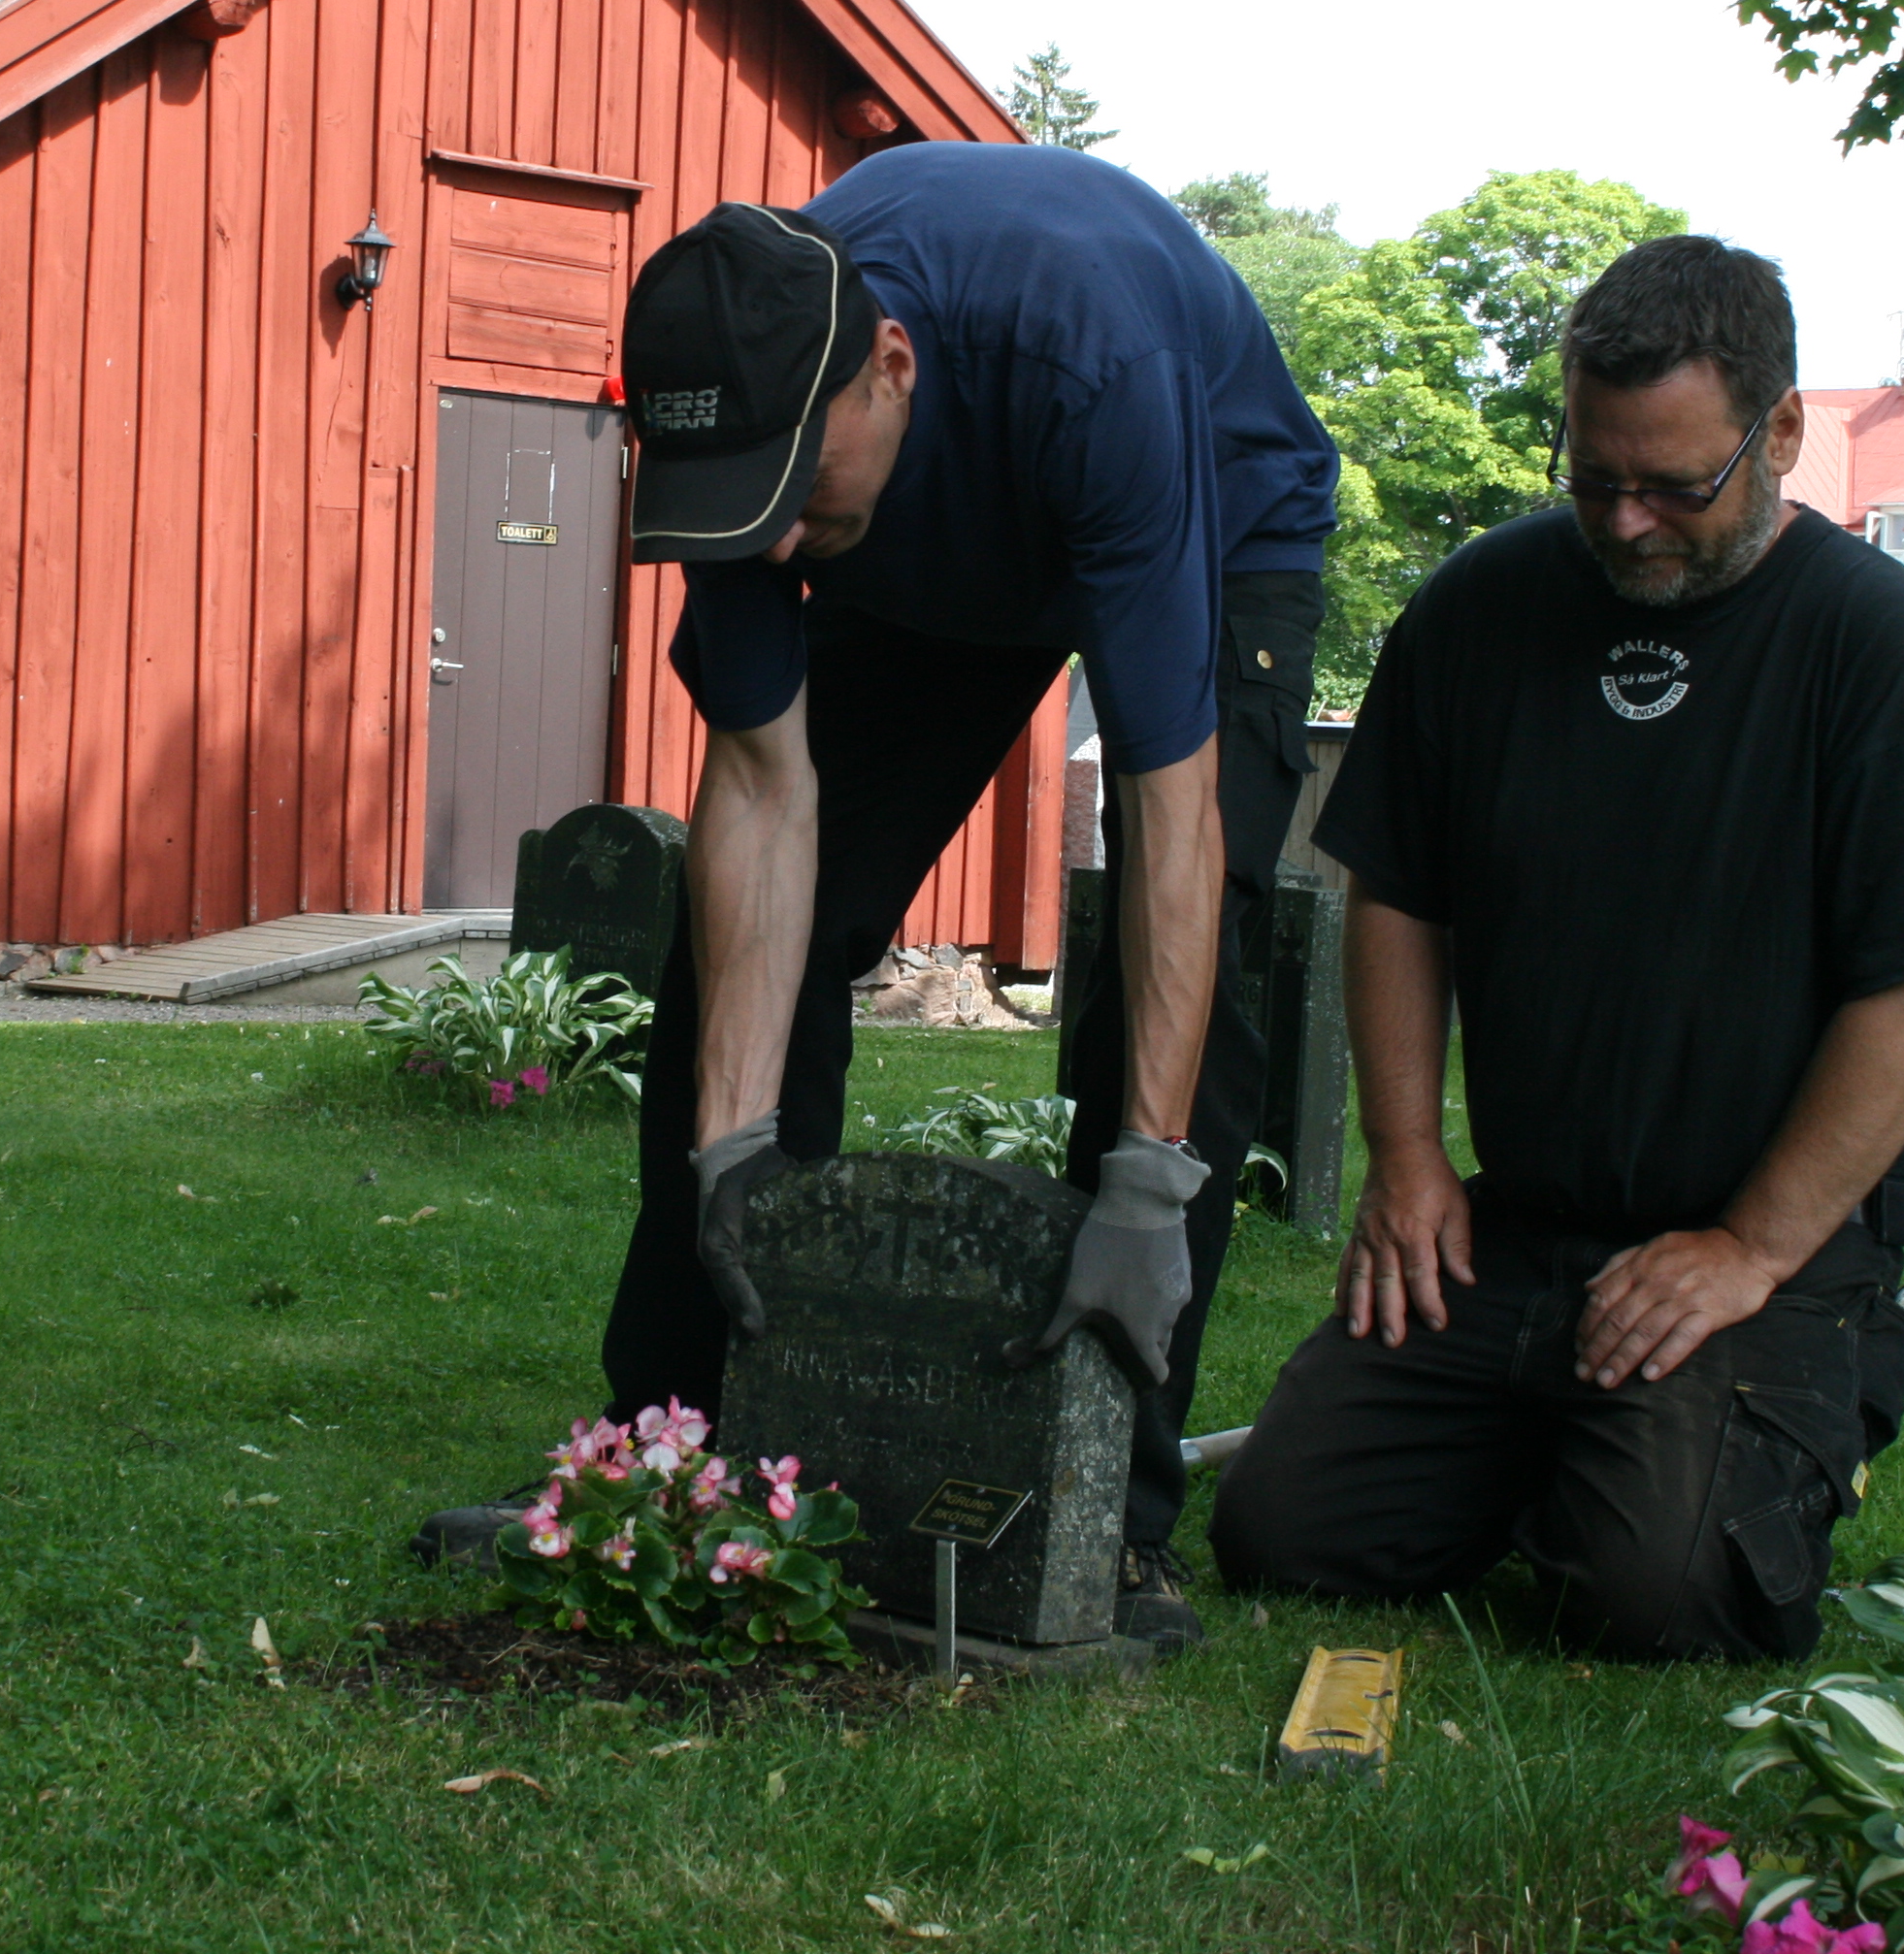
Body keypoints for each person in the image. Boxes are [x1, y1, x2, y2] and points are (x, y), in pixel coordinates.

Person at [419, 142, 1338, 1653]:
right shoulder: (744, 420)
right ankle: (675, 1457)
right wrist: (730, 1156)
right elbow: (769, 796)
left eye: (792, 494)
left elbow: (1170, 824)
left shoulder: (1089, 363)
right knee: (735, 967)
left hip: (1212, 521)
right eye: (736, 505)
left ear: (890, 368)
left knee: (1188, 972)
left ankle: (1109, 1518)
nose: (768, 540)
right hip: (930, 547)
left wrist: (1145, 1178)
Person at [1207, 236, 1904, 1659]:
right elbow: (1398, 891)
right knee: (1285, 1535)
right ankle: (1571, 1440)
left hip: (1770, 1245)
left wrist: (1748, 1247)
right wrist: (1409, 1163)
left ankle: (1754, 1409)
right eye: (1595, 478)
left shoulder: (1877, 646)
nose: (1630, 520)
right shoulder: (1482, 608)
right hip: (1519, 1228)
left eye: (1675, 484)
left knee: (1661, 1599)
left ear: (1781, 432)